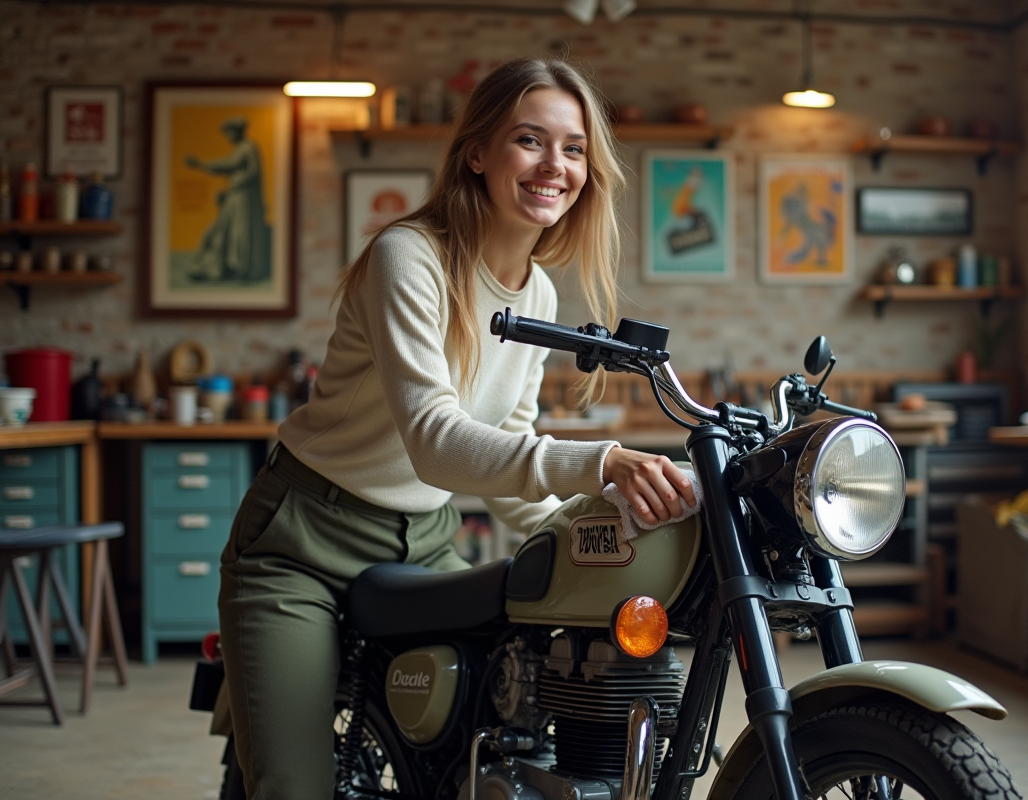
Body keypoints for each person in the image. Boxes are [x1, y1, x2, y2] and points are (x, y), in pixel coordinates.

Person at [217, 56, 696, 800]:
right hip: (302, 543)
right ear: (476, 152)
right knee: (294, 786)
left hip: (425, 541)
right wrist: (600, 462)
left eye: (573, 149)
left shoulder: (535, 289)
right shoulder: (406, 257)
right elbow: (434, 439)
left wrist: (595, 534)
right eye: (530, 140)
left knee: (480, 744)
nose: (555, 166)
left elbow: (511, 463)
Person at [184, 116, 272, 283]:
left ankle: (241, 269)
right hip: (235, 196)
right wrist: (202, 165)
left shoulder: (248, 147)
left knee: (240, 232)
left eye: (229, 133)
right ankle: (215, 267)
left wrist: (236, 182)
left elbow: (252, 171)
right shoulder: (239, 149)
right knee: (220, 231)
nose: (228, 137)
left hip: (244, 198)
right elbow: (226, 165)